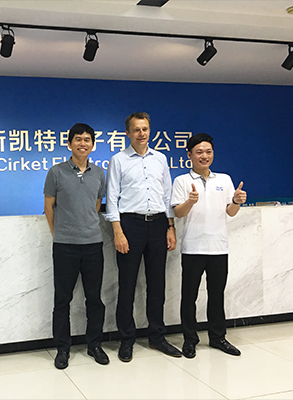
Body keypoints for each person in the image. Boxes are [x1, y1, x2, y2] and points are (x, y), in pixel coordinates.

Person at [106, 112, 182, 361]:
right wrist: (118, 231)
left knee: (157, 284)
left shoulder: (160, 159)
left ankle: (157, 336)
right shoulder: (118, 160)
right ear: (128, 133)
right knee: (127, 284)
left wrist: (170, 227)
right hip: (130, 225)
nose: (141, 133)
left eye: (145, 129)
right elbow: (112, 198)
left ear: (150, 131)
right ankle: (126, 339)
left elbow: (167, 195)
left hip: (158, 224)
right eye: (136, 129)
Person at [170, 133, 247, 358]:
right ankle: (190, 340)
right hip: (193, 248)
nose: (204, 156)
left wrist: (236, 201)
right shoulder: (182, 181)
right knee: (189, 297)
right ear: (189, 155)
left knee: (217, 295)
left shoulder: (224, 179)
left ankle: (218, 337)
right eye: (199, 152)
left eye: (208, 151)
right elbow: (178, 213)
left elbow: (230, 212)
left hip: (218, 247)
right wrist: (190, 201)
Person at [43, 123, 112, 369]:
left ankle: (95, 345)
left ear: (92, 144)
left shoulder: (99, 173)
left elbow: (96, 205)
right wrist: (58, 233)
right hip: (65, 246)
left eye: (87, 140)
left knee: (94, 298)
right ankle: (63, 348)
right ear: (69, 143)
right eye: (78, 139)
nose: (83, 143)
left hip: (93, 244)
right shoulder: (56, 172)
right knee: (62, 299)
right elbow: (48, 206)